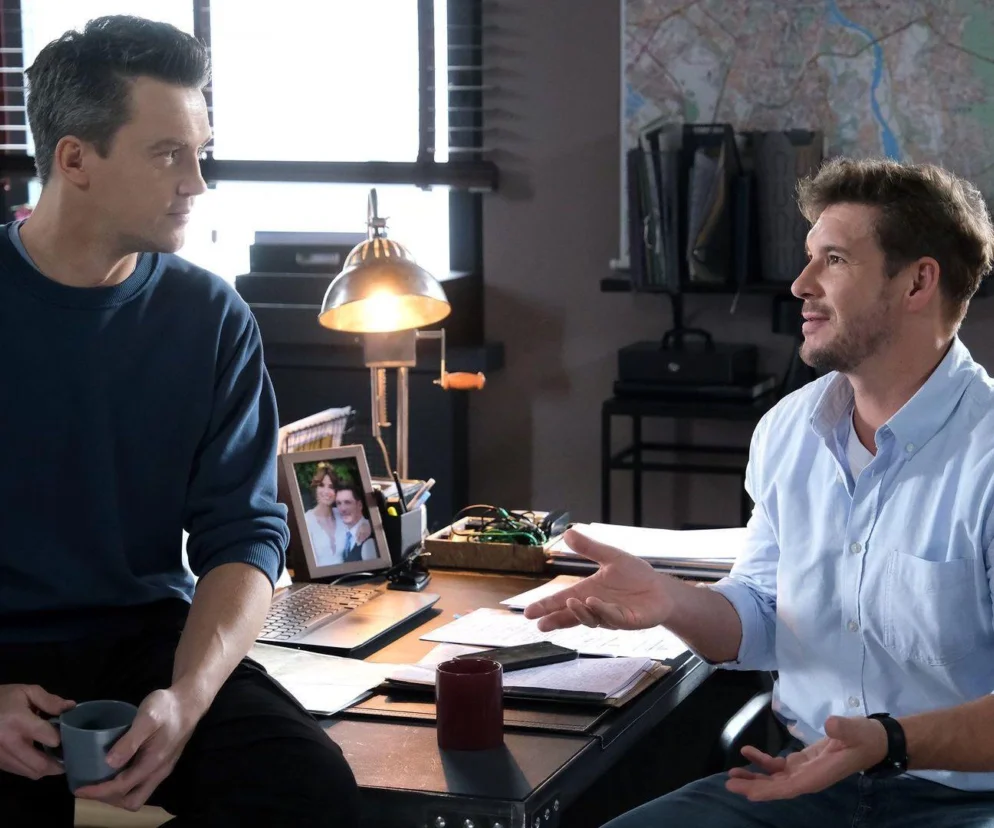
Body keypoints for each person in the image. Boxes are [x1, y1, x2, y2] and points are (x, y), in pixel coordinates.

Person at [526, 157, 994, 827]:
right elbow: (763, 618)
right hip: (801, 784)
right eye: (809, 257)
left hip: (963, 804)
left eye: (834, 260)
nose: (802, 284)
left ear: (919, 281)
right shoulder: (788, 431)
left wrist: (889, 742)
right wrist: (670, 599)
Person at [0, 16, 360, 827]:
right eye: (168, 154)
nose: (197, 182)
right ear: (74, 159)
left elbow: (245, 535)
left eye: (201, 152)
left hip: (149, 642)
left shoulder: (211, 317)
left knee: (307, 790)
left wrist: (189, 698)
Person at [303, 464, 341, 566]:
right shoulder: (306, 521)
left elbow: (360, 523)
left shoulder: (342, 515)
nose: (326, 492)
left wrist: (364, 526)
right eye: (321, 485)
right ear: (315, 488)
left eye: (331, 487)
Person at [334, 483, 377, 563]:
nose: (342, 509)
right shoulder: (338, 530)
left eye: (347, 502)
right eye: (339, 503)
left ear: (360, 505)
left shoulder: (370, 535)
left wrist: (370, 525)